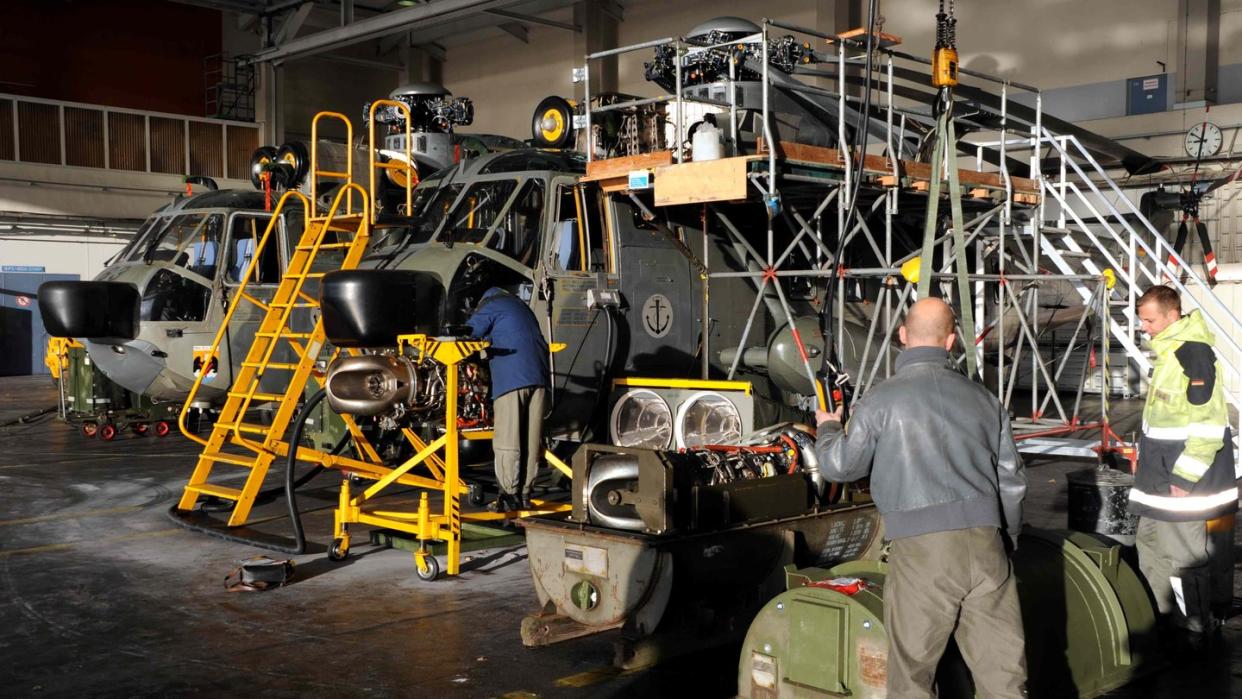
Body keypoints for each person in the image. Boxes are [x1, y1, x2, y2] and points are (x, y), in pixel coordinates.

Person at [814, 297, 1027, 698]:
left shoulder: (881, 400)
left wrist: (827, 430)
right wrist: (1006, 539)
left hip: (922, 554)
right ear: (950, 342)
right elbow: (1012, 481)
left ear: (902, 336)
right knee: (1004, 679)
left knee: (912, 679)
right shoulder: (986, 401)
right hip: (987, 546)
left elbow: (841, 467)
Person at [1130, 285, 1237, 643]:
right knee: (1152, 547)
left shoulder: (1191, 356)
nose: (1144, 328)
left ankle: (1190, 629)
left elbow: (1206, 427)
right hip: (1159, 478)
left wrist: (1183, 476)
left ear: (1172, 316)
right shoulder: (1173, 352)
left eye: (1149, 320)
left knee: (1180, 559)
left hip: (1179, 483)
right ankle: (1171, 618)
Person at [467, 286, 550, 513]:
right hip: (540, 379)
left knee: (508, 439)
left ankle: (508, 494)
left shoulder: (491, 306)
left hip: (513, 380)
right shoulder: (520, 306)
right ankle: (525, 494)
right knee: (531, 439)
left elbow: (467, 333)